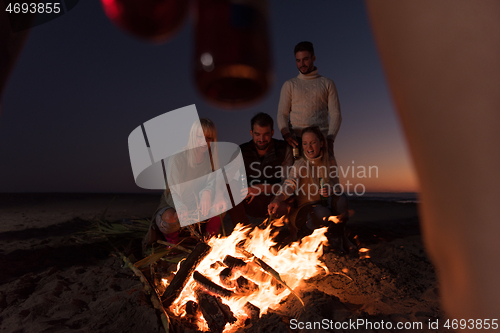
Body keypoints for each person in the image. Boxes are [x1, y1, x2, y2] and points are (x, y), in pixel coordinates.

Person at [268, 126, 354, 253]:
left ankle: (340, 236)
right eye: (305, 143)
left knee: (342, 199)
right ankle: (318, 239)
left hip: (324, 203)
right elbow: (289, 183)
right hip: (304, 211)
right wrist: (278, 198)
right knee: (321, 212)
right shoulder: (300, 163)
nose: (309, 147)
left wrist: (331, 190)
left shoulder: (329, 160)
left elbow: (336, 185)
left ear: (321, 143)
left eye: (313, 142)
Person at [143, 118, 227, 248]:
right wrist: (180, 205)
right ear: (192, 136)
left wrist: (207, 191)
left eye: (209, 138)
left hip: (196, 206)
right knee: (170, 218)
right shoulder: (178, 157)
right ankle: (173, 246)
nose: (204, 142)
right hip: (174, 204)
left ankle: (207, 241)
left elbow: (214, 180)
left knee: (221, 205)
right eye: (200, 137)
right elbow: (172, 190)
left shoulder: (211, 159)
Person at [277, 41, 341, 158]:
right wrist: (286, 134)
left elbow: (336, 114)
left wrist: (330, 139)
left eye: (305, 59)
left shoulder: (327, 83)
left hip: (320, 140)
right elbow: (282, 113)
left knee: (325, 175)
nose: (302, 64)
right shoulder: (289, 85)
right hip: (296, 142)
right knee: (296, 175)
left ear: (313, 58)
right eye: (298, 60)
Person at [227, 112, 293, 225]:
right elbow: (228, 178)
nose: (261, 139)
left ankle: (278, 231)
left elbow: (287, 184)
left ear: (272, 132)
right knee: (228, 187)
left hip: (274, 199)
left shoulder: (283, 149)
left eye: (266, 134)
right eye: (257, 134)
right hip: (249, 201)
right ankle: (243, 230)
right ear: (251, 133)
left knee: (289, 199)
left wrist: (261, 188)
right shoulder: (241, 151)